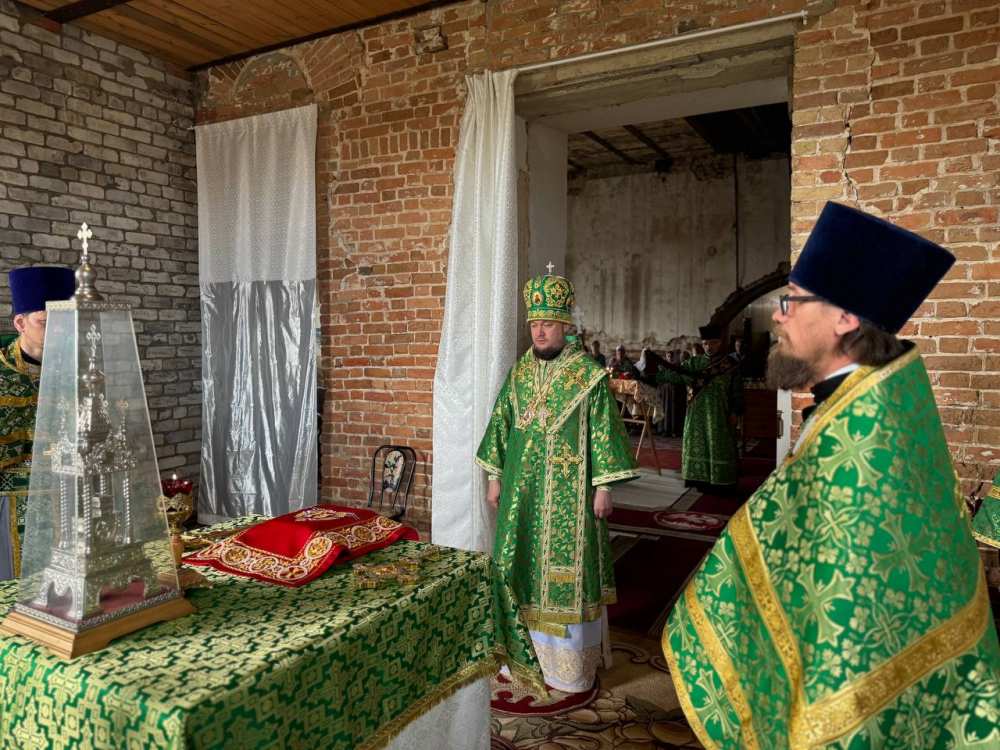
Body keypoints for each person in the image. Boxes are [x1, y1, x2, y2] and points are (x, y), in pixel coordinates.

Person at [663, 202, 1000, 748]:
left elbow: (853, 608)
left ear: (845, 318)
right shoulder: (870, 401)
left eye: (792, 300)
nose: (778, 316)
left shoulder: (869, 432)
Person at [476, 271, 639, 693]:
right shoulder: (519, 374)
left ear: (564, 325)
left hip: (571, 496)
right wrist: (494, 477)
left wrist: (604, 487)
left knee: (568, 575)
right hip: (520, 496)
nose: (539, 331)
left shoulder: (588, 376)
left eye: (547, 323)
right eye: (534, 323)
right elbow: (500, 425)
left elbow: (604, 432)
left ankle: (568, 668)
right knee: (518, 569)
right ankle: (519, 656)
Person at [0, 265, 76, 580]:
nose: (59, 331)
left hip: (70, 497)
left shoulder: (77, 369)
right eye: (46, 323)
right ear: (20, 322)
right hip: (13, 503)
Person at [656, 325, 742, 490]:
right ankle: (699, 480)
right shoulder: (694, 363)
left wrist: (735, 411)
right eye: (705, 343)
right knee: (698, 444)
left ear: (720, 343)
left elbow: (737, 390)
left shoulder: (730, 364)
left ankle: (720, 482)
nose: (709, 347)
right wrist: (652, 372)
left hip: (720, 412)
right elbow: (676, 375)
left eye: (713, 343)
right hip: (696, 414)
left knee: (720, 445)